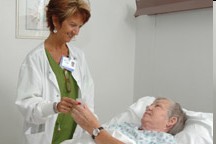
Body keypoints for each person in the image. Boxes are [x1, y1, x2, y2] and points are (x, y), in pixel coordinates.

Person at [15, 0, 94, 144]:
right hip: (47, 137)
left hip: (75, 135)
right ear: (56, 20)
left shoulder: (78, 56)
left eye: (79, 26)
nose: (76, 32)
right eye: (72, 25)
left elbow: (88, 96)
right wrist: (54, 107)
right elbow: (26, 105)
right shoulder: (35, 59)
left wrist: (92, 128)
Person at [70, 97, 187, 144]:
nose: (148, 107)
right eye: (150, 104)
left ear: (171, 121)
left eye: (157, 106)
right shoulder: (126, 126)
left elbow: (99, 134)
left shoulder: (166, 140)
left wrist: (95, 128)